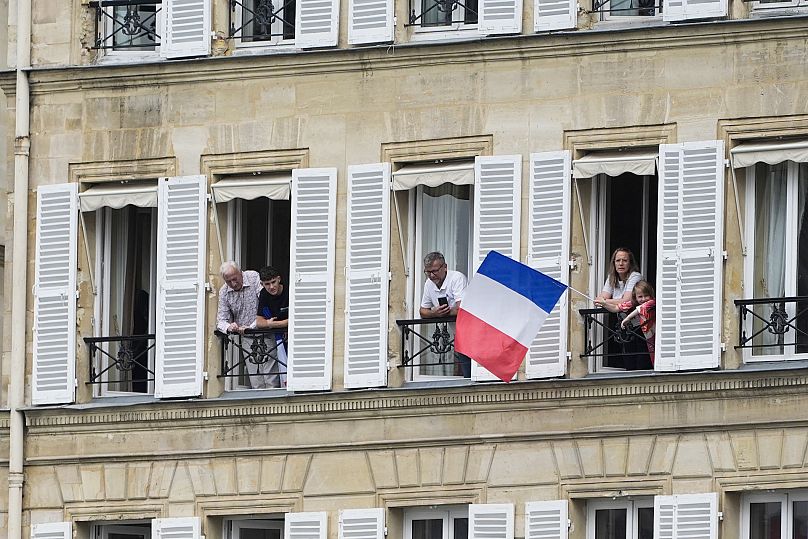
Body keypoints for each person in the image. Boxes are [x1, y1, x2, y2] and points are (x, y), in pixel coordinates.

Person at [419, 252, 470, 378]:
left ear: (445, 267)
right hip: (456, 334)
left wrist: (444, 312)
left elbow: (462, 309)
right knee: (465, 370)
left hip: (471, 331)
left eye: (435, 271)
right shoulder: (428, 284)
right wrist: (433, 313)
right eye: (428, 272)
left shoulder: (457, 278)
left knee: (471, 372)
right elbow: (422, 311)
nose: (431, 275)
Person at [253, 266, 289, 389]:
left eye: (273, 282)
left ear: (279, 279)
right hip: (276, 339)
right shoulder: (264, 294)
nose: (271, 287)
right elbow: (259, 321)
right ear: (262, 284)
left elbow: (298, 317)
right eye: (267, 284)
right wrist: (269, 324)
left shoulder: (290, 290)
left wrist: (275, 324)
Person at [216, 261, 262, 335]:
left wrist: (251, 327)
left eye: (234, 279)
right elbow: (221, 321)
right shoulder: (224, 291)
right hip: (242, 339)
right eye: (228, 281)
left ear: (240, 272)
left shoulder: (253, 277)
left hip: (264, 334)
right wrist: (229, 326)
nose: (233, 284)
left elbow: (266, 305)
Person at [620, 281, 656, 366]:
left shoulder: (653, 302)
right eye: (640, 296)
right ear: (635, 297)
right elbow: (617, 307)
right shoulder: (634, 303)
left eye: (646, 295)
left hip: (654, 334)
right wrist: (604, 303)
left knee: (652, 355)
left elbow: (642, 307)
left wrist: (627, 318)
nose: (643, 299)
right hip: (647, 335)